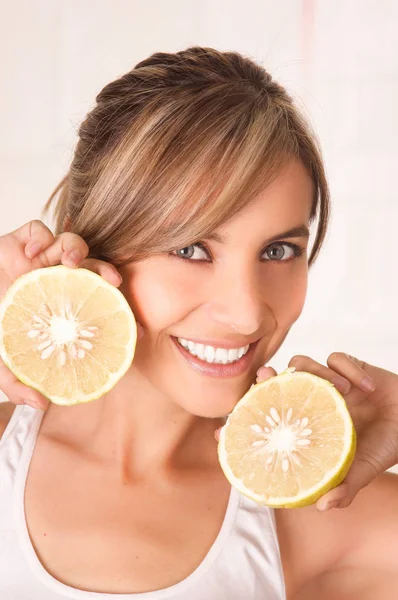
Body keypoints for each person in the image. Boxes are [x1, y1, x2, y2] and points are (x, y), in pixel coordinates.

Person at [0, 46, 397, 600]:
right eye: (190, 249)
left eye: (279, 251)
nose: (246, 313)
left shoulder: (325, 513)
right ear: (85, 240)